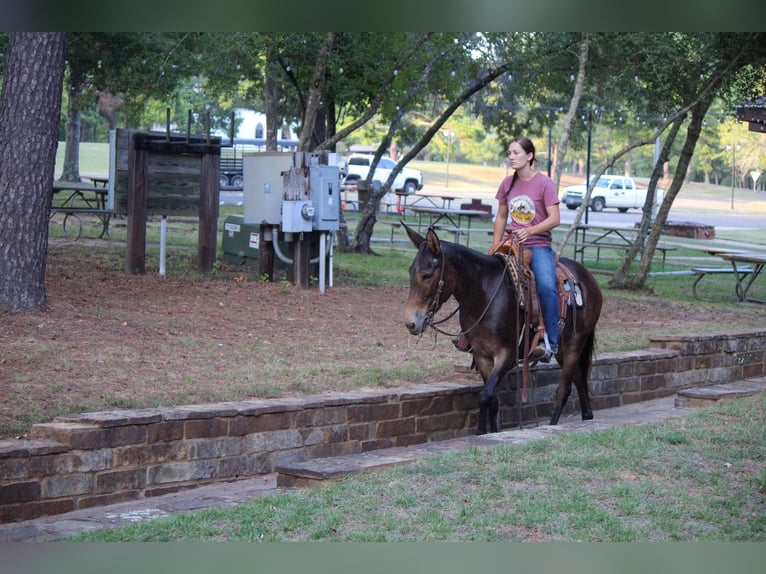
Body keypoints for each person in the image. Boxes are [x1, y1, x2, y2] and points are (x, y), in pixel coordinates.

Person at [490, 136, 561, 363]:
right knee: (479, 274)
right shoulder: (507, 184)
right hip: (510, 243)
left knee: (547, 286)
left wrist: (531, 231)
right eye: (510, 153)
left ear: (529, 156)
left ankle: (550, 340)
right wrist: (496, 244)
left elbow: (555, 218)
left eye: (516, 153)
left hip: (537, 244)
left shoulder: (544, 183)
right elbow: (501, 216)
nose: (511, 157)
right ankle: (469, 336)